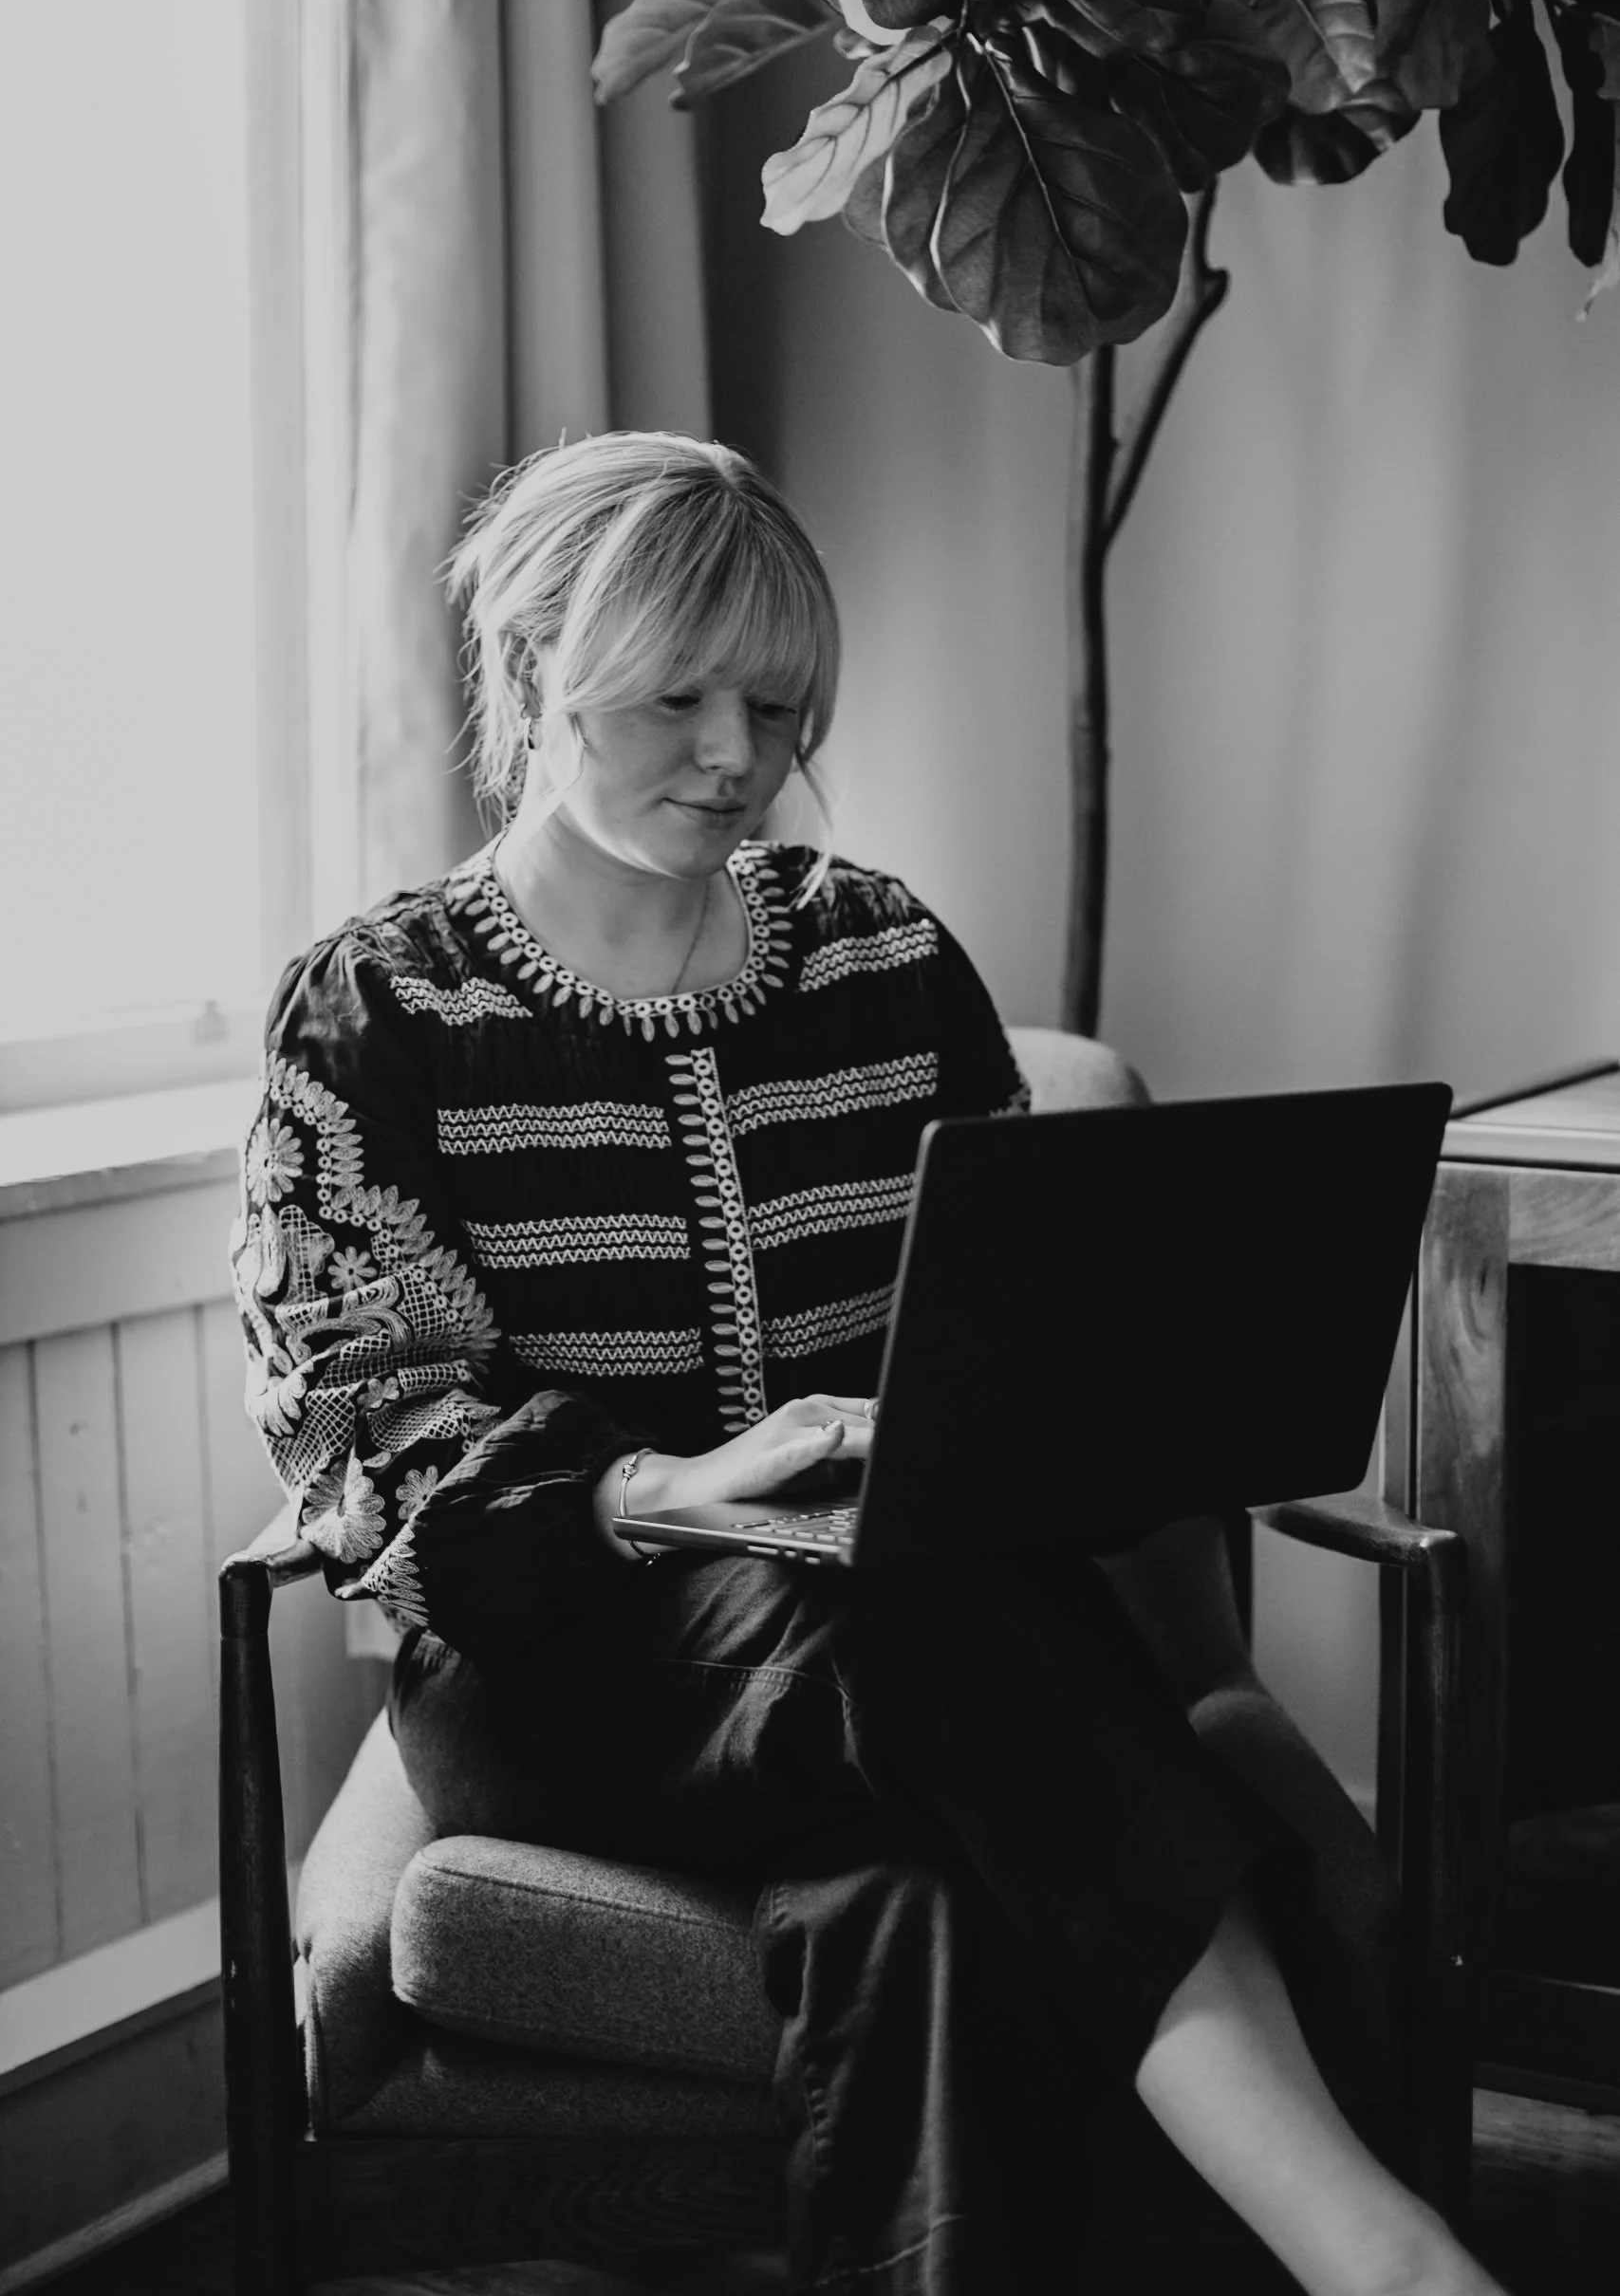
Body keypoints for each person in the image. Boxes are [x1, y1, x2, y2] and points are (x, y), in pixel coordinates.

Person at [233, 431, 1505, 2296]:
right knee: (922, 1632)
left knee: (914, 1889)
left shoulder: (882, 952)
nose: (736, 754)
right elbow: (357, 1428)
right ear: (527, 676)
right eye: (672, 697)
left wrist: (1122, 1396)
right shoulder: (376, 1011)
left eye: (776, 701)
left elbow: (1038, 1318)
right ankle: (1375, 2244)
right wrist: (666, 1488)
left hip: (926, 1625)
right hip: (574, 1656)